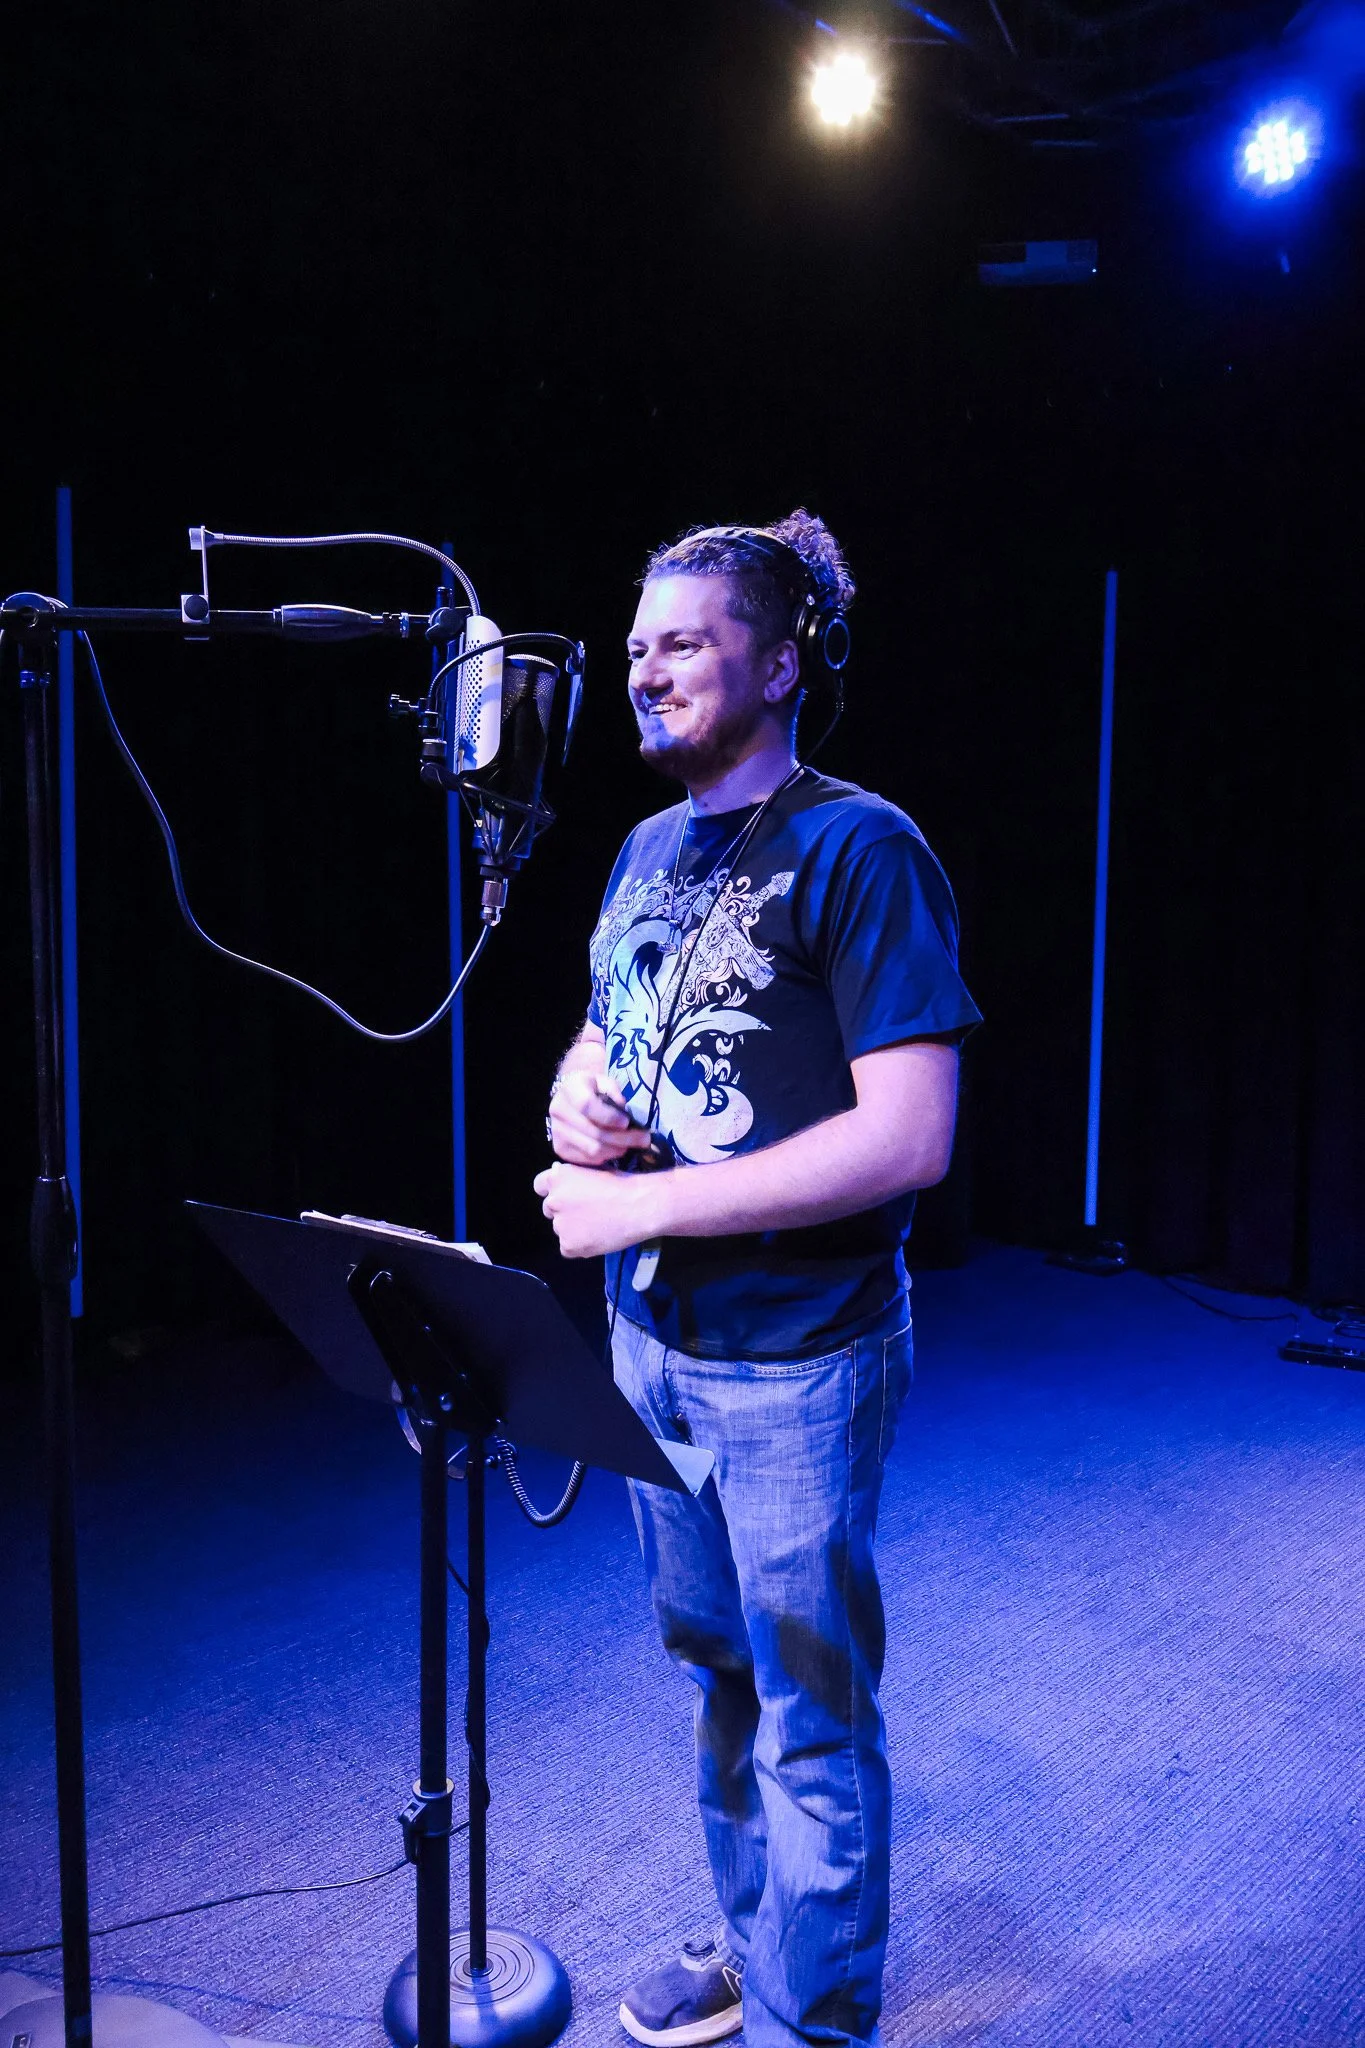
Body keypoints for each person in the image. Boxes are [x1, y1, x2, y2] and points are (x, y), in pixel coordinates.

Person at [534, 512, 981, 2048]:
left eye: (684, 641)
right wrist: (574, 1097)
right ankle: (756, 1942)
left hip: (797, 1357)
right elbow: (610, 1026)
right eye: (637, 643)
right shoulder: (646, 850)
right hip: (652, 1342)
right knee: (717, 1667)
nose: (645, 667)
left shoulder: (862, 849)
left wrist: (643, 1204)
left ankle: (818, 2017)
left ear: (781, 665)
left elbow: (910, 1138)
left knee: (809, 1706)